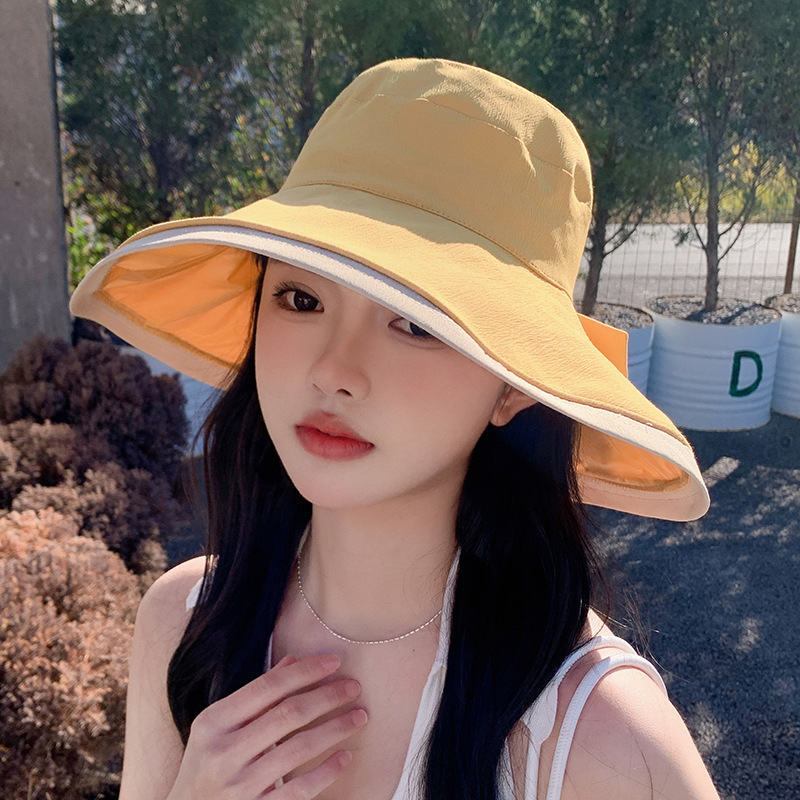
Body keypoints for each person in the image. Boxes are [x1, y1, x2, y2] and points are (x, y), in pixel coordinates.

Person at [71, 58, 720, 800]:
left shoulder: (604, 742)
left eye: (415, 323)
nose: (334, 371)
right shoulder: (184, 625)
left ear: (513, 386)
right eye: (301, 299)